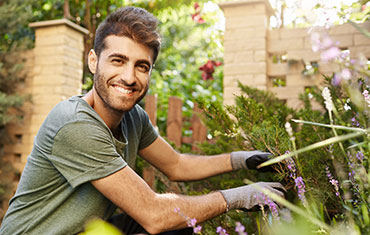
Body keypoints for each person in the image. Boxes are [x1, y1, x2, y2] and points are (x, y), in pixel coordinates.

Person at [0, 6, 285, 235]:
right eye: (117, 60)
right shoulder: (74, 124)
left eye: (141, 66)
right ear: (92, 61)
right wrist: (239, 197)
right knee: (169, 221)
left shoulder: (133, 117)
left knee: (183, 224)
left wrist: (242, 159)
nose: (129, 76)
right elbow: (153, 215)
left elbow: (176, 165)